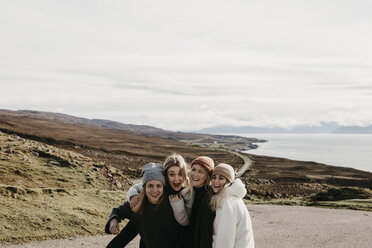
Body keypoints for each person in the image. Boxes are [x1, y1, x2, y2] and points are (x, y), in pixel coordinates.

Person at [106, 154, 190, 248]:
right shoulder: (139, 203)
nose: (155, 190)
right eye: (150, 186)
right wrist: (114, 219)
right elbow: (127, 232)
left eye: (159, 186)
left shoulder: (179, 198)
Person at [171, 156, 215, 248]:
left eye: (200, 171)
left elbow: (206, 233)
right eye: (193, 169)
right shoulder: (190, 191)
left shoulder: (209, 198)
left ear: (207, 176)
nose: (195, 174)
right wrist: (133, 193)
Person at [210, 163, 254, 248]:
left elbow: (224, 242)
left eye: (221, 178)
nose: (216, 181)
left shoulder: (228, 204)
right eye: (214, 177)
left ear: (228, 181)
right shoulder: (232, 199)